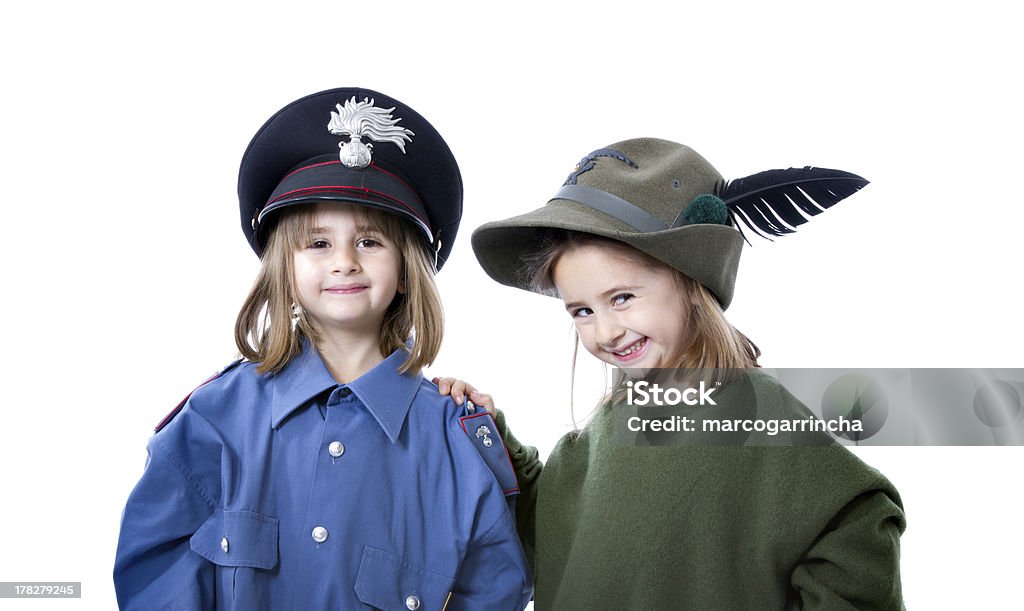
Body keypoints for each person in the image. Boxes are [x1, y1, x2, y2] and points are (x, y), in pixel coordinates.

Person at [113, 87, 531, 611]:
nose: (344, 262)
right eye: (317, 243)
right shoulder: (213, 419)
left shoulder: (456, 444)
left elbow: (493, 592)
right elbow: (154, 576)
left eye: (370, 241)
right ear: (283, 266)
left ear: (406, 270)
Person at [445, 138, 905, 609]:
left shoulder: (757, 418)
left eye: (622, 297)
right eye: (581, 311)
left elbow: (858, 516)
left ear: (690, 285)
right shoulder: (607, 430)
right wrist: (488, 435)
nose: (604, 331)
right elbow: (558, 535)